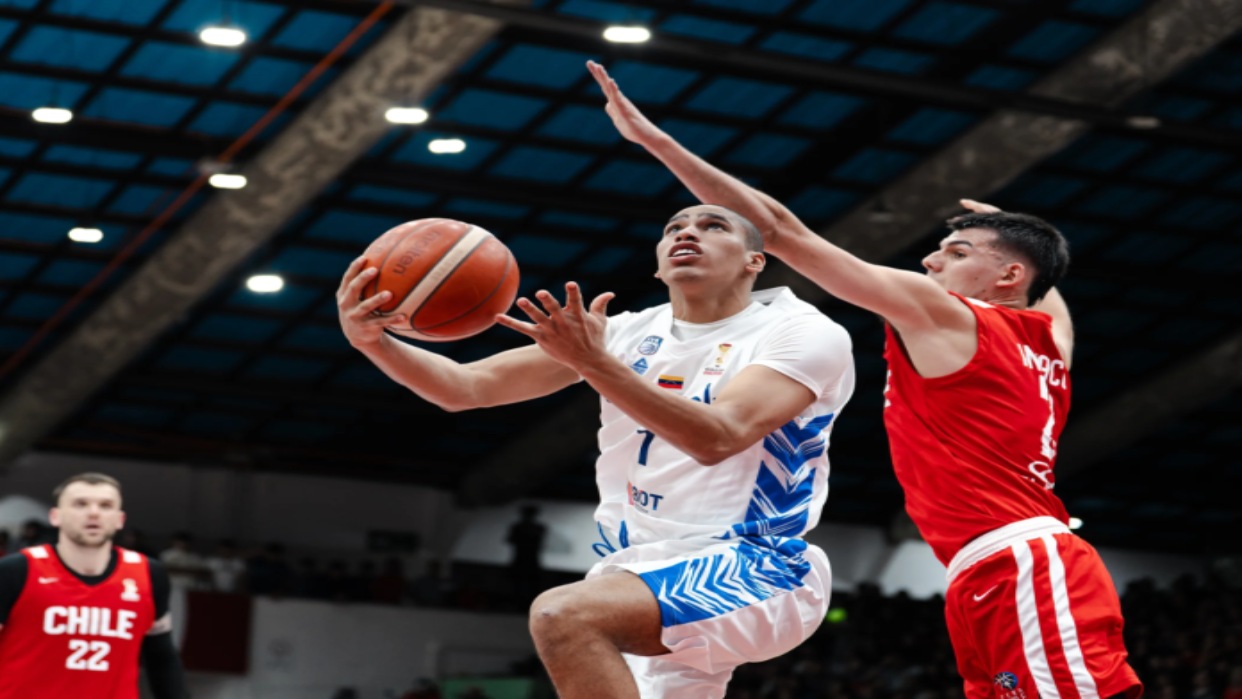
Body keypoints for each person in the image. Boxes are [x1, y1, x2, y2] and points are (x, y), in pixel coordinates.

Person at [585, 60, 1141, 699]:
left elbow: (782, 230)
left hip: (1018, 560)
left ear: (1008, 278)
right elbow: (1050, 304)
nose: (931, 260)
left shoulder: (945, 314)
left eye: (957, 253)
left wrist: (655, 141)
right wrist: (1021, 238)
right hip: (993, 565)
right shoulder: (1047, 345)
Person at [338, 198, 854, 697]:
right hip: (635, 570)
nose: (687, 233)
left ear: (754, 261)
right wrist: (373, 342)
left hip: (757, 565)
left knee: (566, 616)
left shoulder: (802, 332)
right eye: (674, 228)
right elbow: (464, 388)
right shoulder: (623, 334)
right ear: (658, 264)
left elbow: (718, 437)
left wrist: (592, 361)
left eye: (713, 225)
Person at [0, 473, 188, 699]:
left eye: (106, 505)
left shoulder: (148, 573)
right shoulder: (16, 569)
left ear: (120, 519)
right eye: (80, 504)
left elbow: (161, 657)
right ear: (55, 516)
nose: (94, 513)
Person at [506, 505, 547, 608]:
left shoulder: (518, 527)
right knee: (525, 583)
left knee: (521, 583)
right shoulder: (538, 528)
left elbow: (510, 540)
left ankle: (520, 604)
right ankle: (525, 604)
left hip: (523, 558)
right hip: (527, 558)